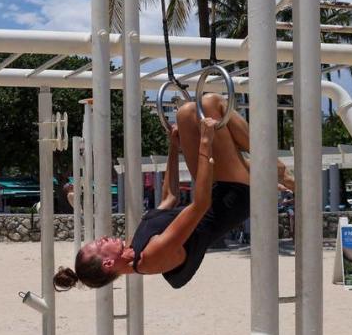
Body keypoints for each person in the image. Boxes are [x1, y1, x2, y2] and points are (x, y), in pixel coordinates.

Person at [55, 94, 294, 291]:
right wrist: (204, 144)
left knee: (186, 113)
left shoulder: (135, 246)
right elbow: (199, 206)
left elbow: (169, 197)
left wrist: (173, 145)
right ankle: (275, 167)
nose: (102, 239)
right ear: (108, 262)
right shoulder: (151, 257)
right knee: (211, 104)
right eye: (98, 245)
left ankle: (272, 173)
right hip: (233, 198)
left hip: (216, 191)